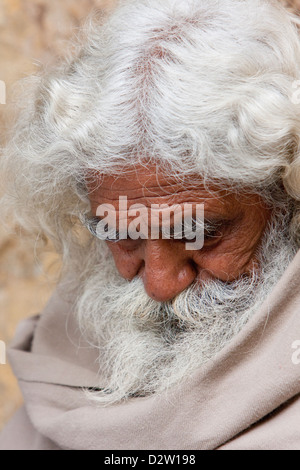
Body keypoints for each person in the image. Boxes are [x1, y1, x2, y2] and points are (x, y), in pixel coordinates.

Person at [0, 0, 300, 450]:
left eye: (202, 233)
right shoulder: (63, 357)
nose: (159, 284)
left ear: (286, 201)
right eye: (120, 234)